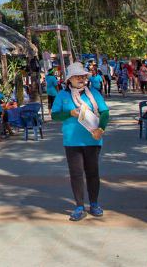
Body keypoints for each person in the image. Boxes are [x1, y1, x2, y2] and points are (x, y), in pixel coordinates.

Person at [51, 62, 110, 221]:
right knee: (76, 174)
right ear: (69, 79)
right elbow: (54, 115)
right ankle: (79, 206)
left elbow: (105, 112)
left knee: (93, 173)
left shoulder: (94, 93)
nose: (81, 79)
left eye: (83, 76)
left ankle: (94, 204)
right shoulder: (62, 96)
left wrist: (101, 128)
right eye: (77, 76)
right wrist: (69, 113)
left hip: (92, 140)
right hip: (72, 142)